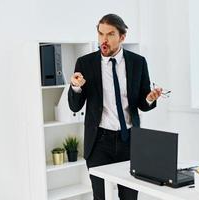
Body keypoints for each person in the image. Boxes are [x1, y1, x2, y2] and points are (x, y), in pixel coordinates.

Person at [68, 13, 162, 200]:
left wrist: (150, 98)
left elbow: (142, 103)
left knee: (129, 197)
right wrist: (76, 87)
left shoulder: (138, 62)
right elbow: (75, 106)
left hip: (130, 142)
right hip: (99, 143)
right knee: (101, 197)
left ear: (122, 37)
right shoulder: (85, 63)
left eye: (110, 34)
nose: (104, 39)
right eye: (101, 34)